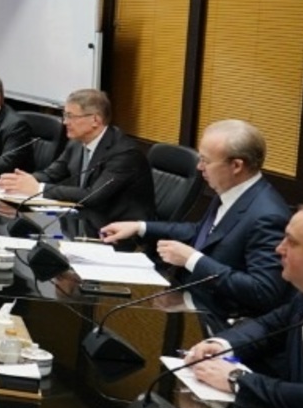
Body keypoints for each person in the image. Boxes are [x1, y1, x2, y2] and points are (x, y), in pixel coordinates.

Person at [100, 119, 291, 327]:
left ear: (236, 165)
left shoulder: (268, 215)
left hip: (224, 322)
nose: (199, 167)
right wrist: (139, 227)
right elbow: (201, 231)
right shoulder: (231, 190)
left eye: (206, 161)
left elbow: (263, 291)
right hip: (191, 301)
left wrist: (192, 259)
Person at [184, 206, 303, 408]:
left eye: (291, 242)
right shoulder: (302, 296)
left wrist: (238, 381)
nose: (279, 249)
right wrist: (222, 345)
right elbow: (269, 326)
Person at [0, 88, 155, 239]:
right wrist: (20, 182)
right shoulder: (77, 143)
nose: (65, 122)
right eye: (64, 115)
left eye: (71, 116)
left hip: (120, 235)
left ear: (95, 120)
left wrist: (38, 188)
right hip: (82, 222)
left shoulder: (124, 153)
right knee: (19, 232)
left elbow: (92, 196)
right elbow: (52, 174)